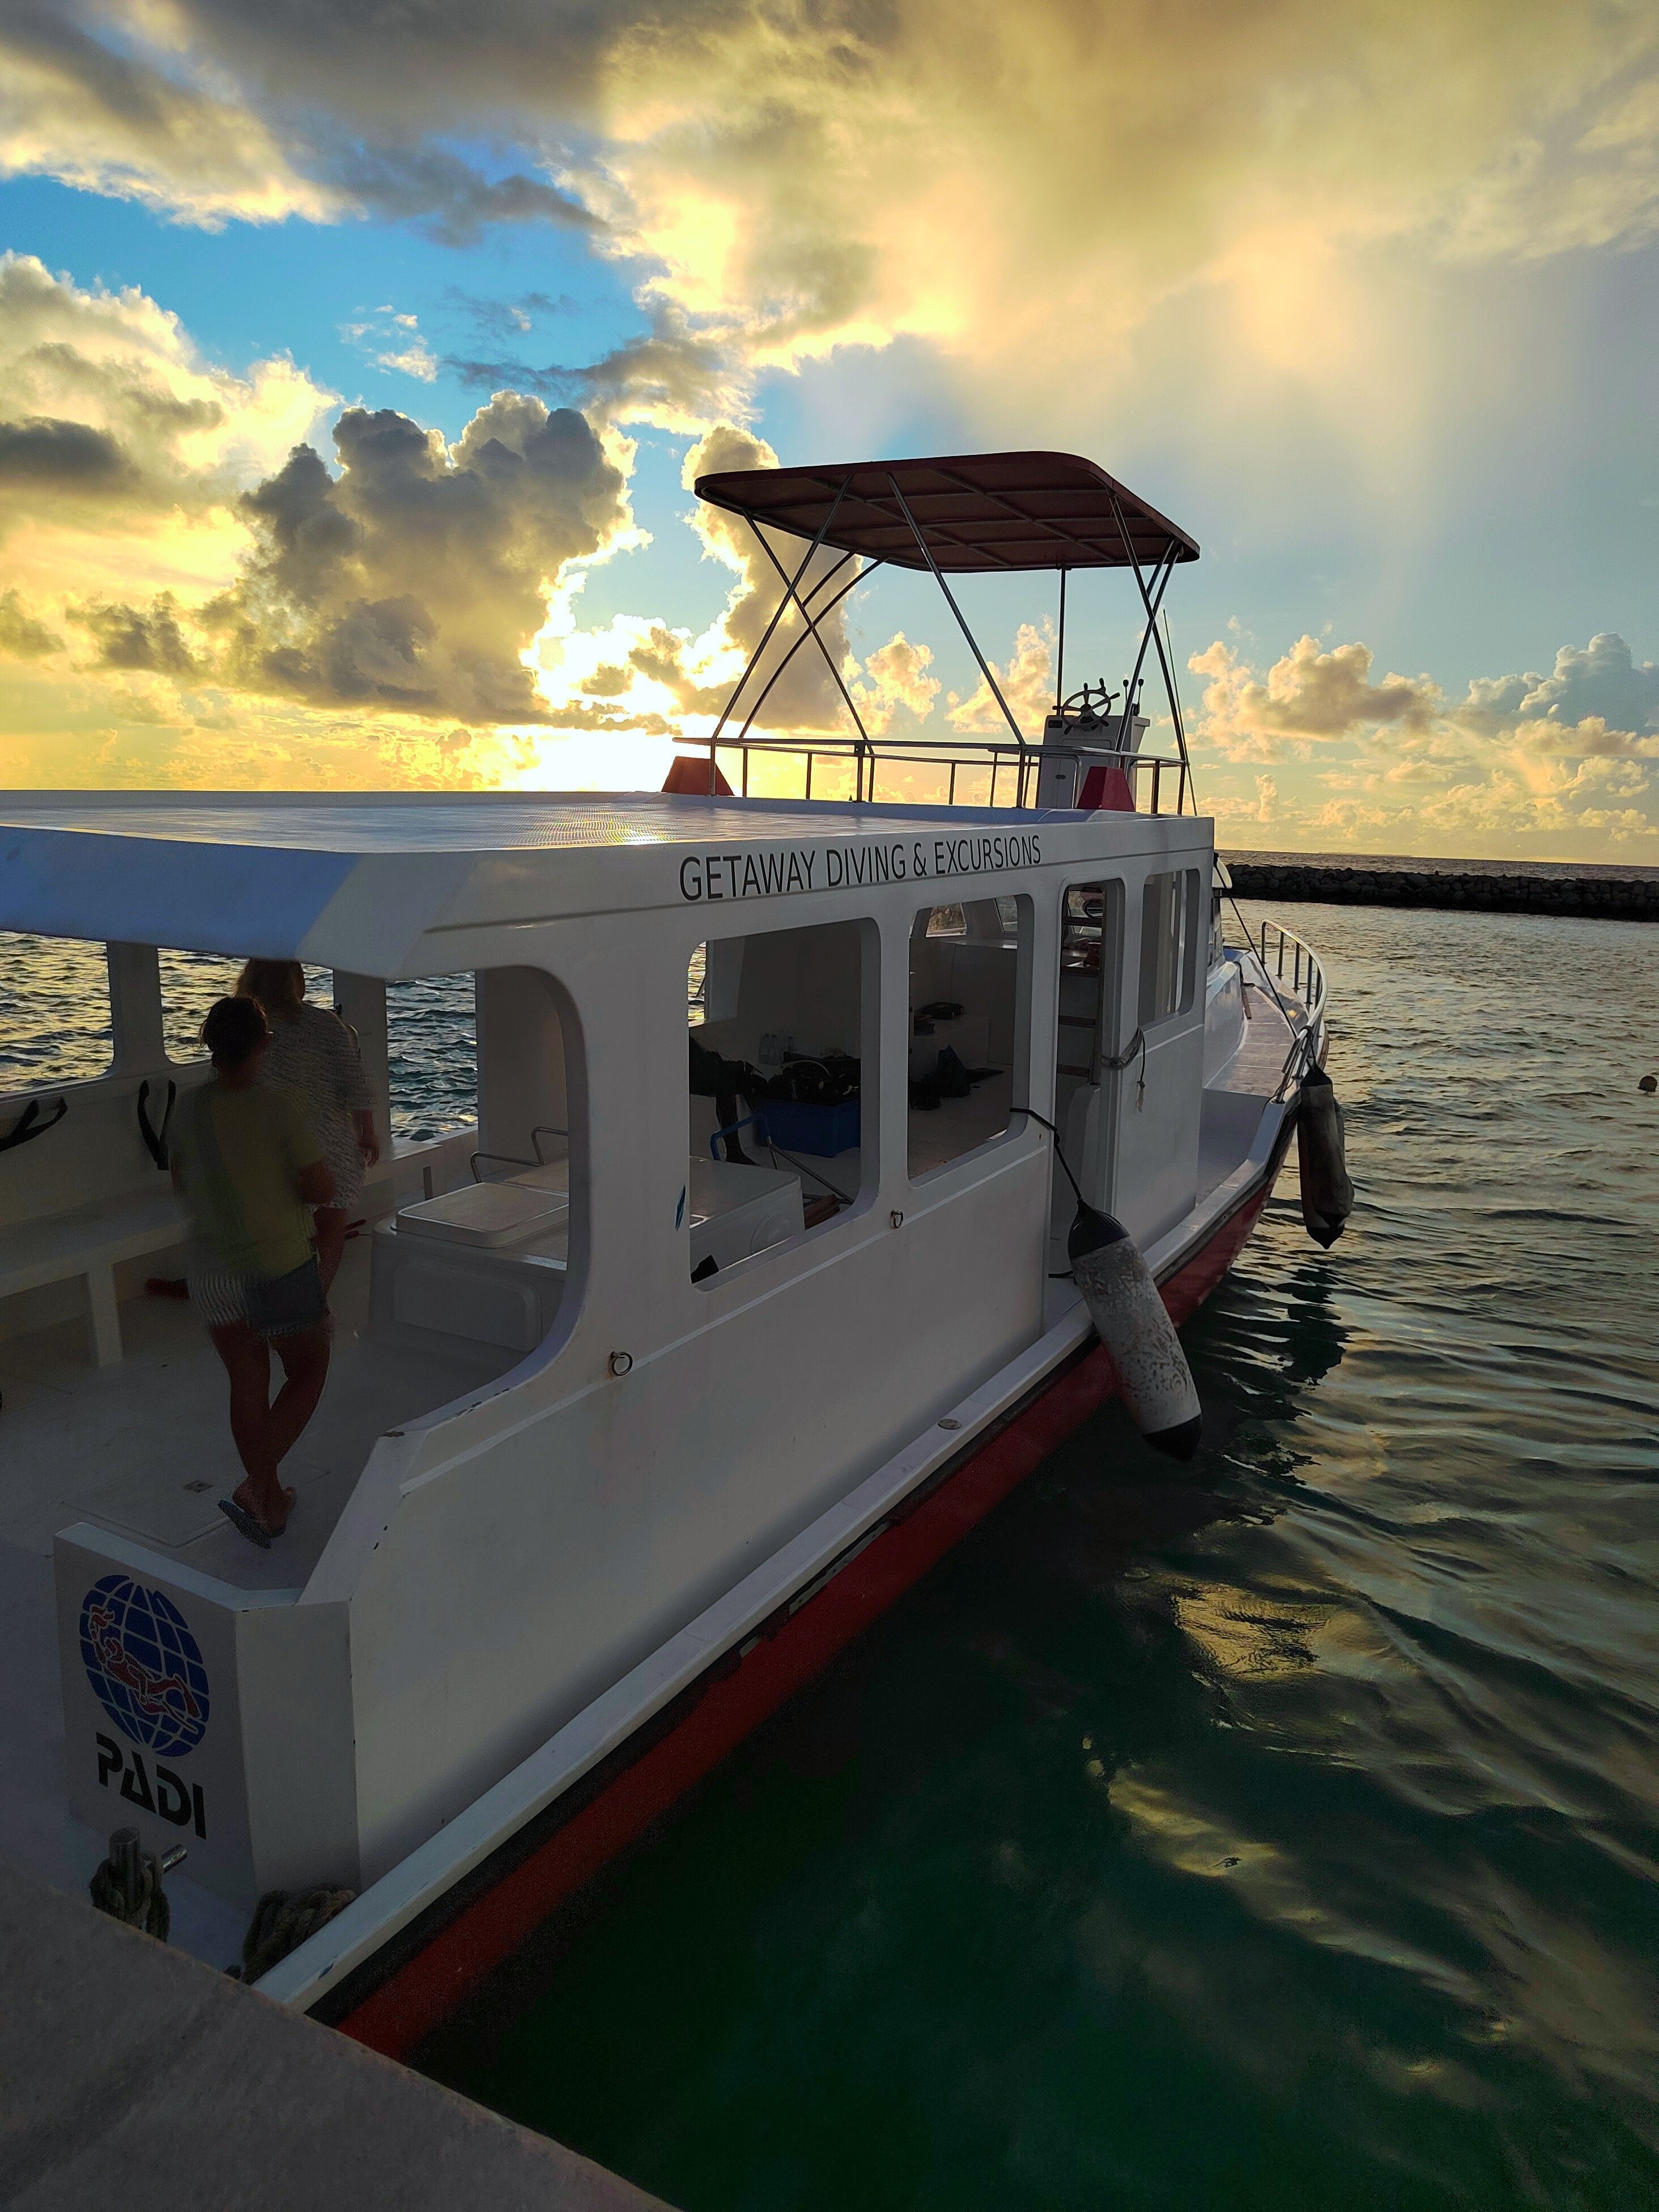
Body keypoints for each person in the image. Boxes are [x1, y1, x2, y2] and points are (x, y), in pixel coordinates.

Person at [171, 997, 334, 1547]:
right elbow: (321, 1189)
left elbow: (182, 1184)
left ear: (212, 1047)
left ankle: (269, 1498)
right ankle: (259, 1485)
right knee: (309, 1369)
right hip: (277, 1267)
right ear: (264, 1043)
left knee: (247, 1379)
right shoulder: (276, 1107)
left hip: (212, 1272)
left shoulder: (188, 1109)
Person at [235, 959, 379, 1295]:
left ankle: (281, 1298)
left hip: (269, 1155)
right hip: (330, 1151)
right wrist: (368, 1130)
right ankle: (315, 1298)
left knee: (285, 1235)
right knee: (330, 1230)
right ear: (294, 982)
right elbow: (355, 1082)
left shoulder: (247, 1030)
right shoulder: (323, 1023)